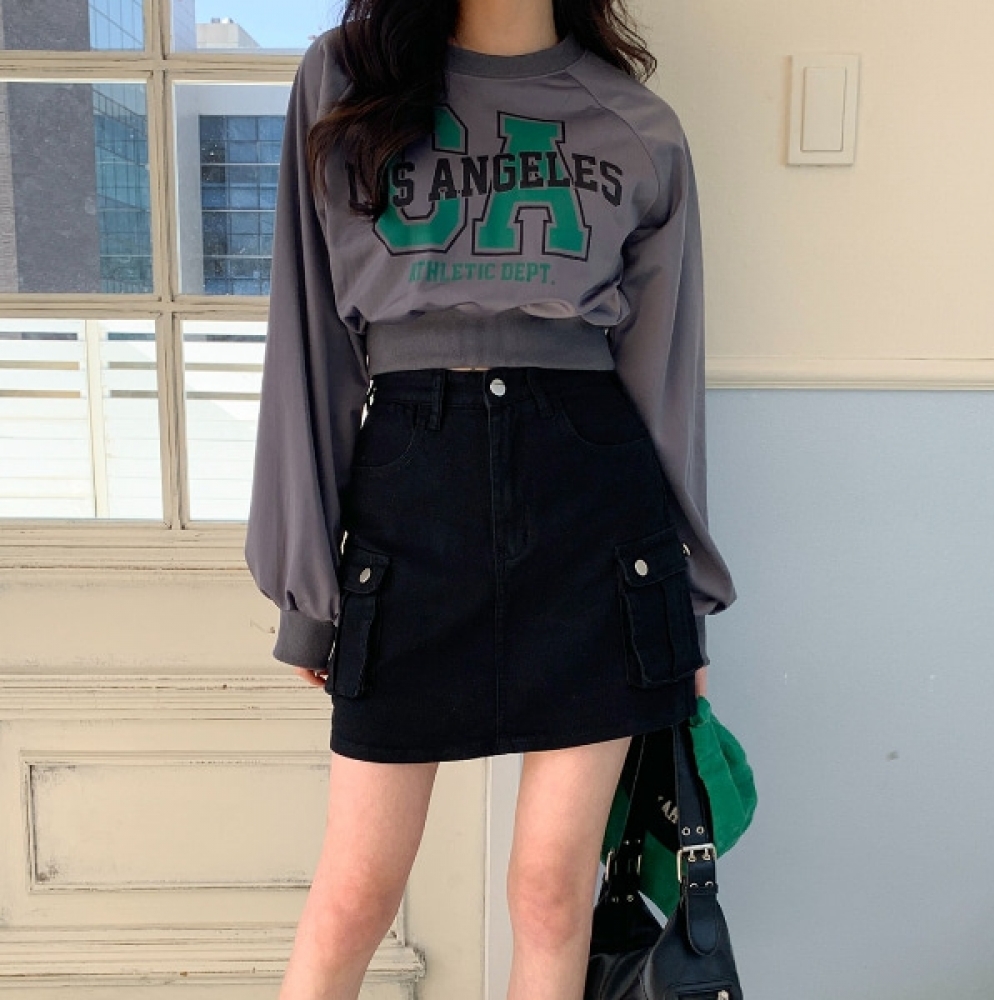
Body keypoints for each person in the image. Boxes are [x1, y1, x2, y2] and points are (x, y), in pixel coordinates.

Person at [244, 0, 736, 997]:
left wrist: (680, 606)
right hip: (409, 503)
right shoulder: (344, 81)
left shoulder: (637, 124)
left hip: (594, 523)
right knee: (353, 896)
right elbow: (309, 346)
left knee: (551, 895)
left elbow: (663, 386)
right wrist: (306, 592)